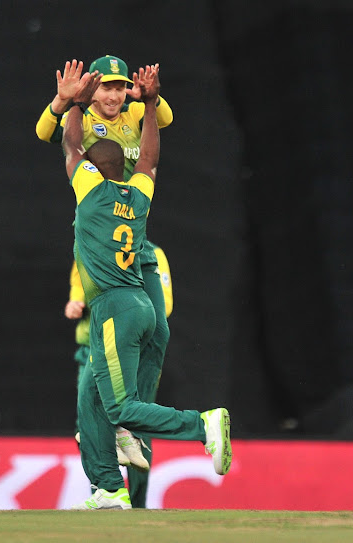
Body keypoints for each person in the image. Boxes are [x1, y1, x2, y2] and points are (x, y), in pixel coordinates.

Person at [61, 64, 231, 510]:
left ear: (95, 170)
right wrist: (150, 105)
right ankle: (107, 488)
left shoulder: (90, 194)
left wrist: (77, 103)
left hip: (114, 307)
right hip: (140, 299)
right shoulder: (139, 193)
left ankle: (203, 425)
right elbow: (151, 157)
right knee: (91, 396)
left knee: (118, 407)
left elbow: (70, 144)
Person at [38, 55, 175, 508]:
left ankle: (128, 421)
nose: (114, 96)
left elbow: (165, 120)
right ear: (92, 92)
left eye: (120, 88)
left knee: (159, 330)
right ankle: (113, 449)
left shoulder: (136, 109)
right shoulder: (85, 119)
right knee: (97, 376)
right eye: (106, 89)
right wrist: (66, 103)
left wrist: (147, 100)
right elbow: (50, 135)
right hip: (103, 225)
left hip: (134, 234)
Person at [65, 237, 173, 508]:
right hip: (91, 346)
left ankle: (136, 504)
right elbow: (79, 284)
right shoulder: (90, 246)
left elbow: (164, 303)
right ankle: (105, 491)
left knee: (133, 422)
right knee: (88, 424)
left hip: (126, 349)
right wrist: (76, 302)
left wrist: (128, 312)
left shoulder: (151, 253)